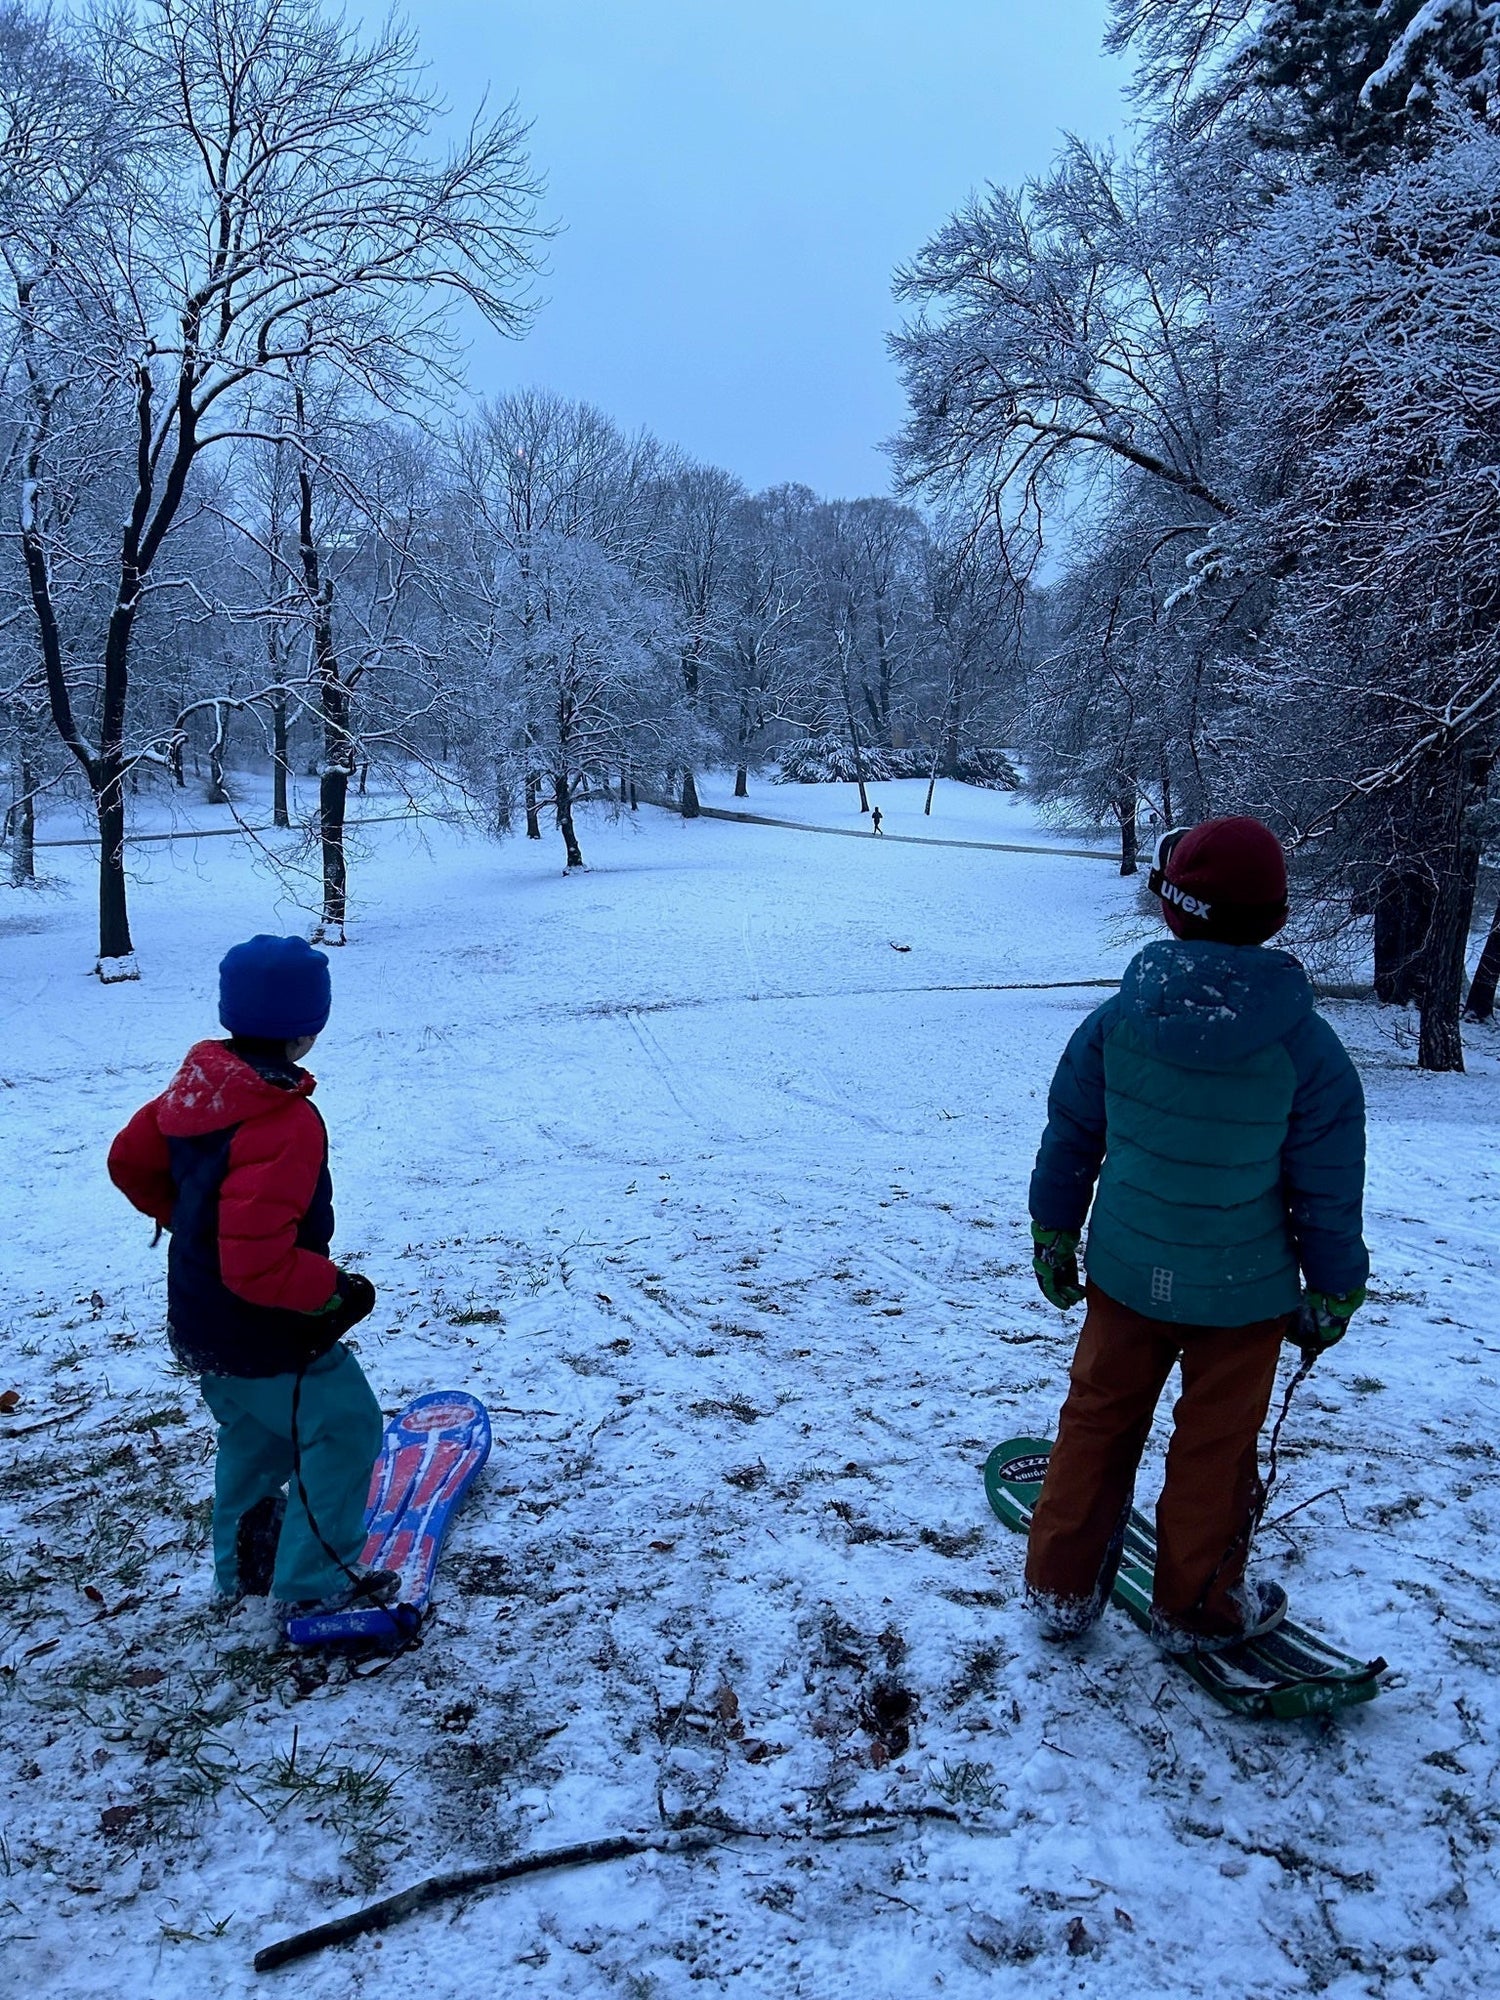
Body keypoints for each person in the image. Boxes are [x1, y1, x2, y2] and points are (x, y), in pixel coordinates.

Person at [1024, 817, 1368, 1654]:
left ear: (1171, 912)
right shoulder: (1308, 1051)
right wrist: (1334, 1286)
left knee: (1097, 1424)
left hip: (1126, 1277)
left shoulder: (1116, 1023)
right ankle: (1195, 1607)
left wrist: (1054, 1230)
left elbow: (1072, 1134)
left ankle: (1061, 1589)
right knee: (1217, 1450)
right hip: (1242, 1297)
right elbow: (1326, 1188)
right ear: (1277, 917)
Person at [108, 934, 396, 1624]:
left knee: (258, 1439)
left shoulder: (197, 1090)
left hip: (202, 1322)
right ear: (307, 1028)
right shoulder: (284, 1120)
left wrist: (193, 1224)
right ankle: (313, 1580)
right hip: (267, 1332)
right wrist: (331, 1289)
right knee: (347, 1428)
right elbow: (258, 1264)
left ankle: (244, 1571)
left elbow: (128, 1160)